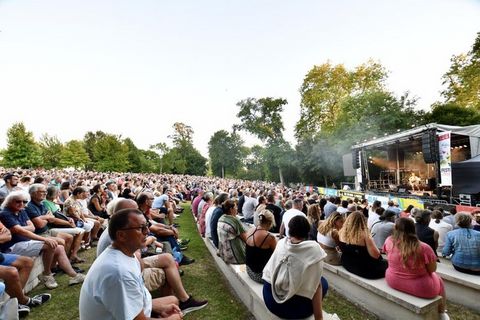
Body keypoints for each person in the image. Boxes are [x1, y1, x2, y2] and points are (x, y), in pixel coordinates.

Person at [79, 208, 185, 320]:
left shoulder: (126, 253)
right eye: (141, 228)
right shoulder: (119, 272)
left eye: (147, 226)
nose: (147, 231)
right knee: (175, 316)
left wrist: (156, 307)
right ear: (121, 235)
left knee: (173, 300)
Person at [0, 191, 85, 289]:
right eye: (18, 201)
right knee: (50, 244)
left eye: (24, 202)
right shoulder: (5, 213)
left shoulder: (21, 211)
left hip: (25, 242)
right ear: (9, 201)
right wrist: (43, 239)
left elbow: (32, 228)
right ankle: (47, 274)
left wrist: (20, 229)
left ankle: (74, 276)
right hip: (13, 246)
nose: (22, 204)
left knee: (60, 247)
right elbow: (22, 231)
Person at [262, 215, 328, 320]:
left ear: (289, 230)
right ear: (307, 232)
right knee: (323, 283)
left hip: (269, 298)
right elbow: (317, 287)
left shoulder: (281, 243)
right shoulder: (314, 250)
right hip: (292, 310)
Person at [383, 218, 450, 320]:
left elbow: (389, 257)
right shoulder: (424, 247)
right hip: (422, 288)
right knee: (439, 279)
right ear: (413, 229)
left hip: (392, 280)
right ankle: (442, 312)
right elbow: (432, 270)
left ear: (395, 228)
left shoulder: (389, 240)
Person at [339, 211, 387, 279]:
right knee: (386, 264)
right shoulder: (365, 235)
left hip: (346, 262)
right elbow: (376, 255)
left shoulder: (341, 232)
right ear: (363, 221)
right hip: (363, 268)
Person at [245, 209, 277, 283]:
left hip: (249, 270)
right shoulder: (269, 237)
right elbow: (276, 254)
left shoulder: (250, 230)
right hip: (260, 275)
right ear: (269, 222)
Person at [217, 200, 247, 264]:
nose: (237, 209)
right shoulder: (234, 221)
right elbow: (246, 239)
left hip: (224, 253)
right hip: (235, 257)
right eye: (236, 207)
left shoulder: (221, 218)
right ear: (231, 209)